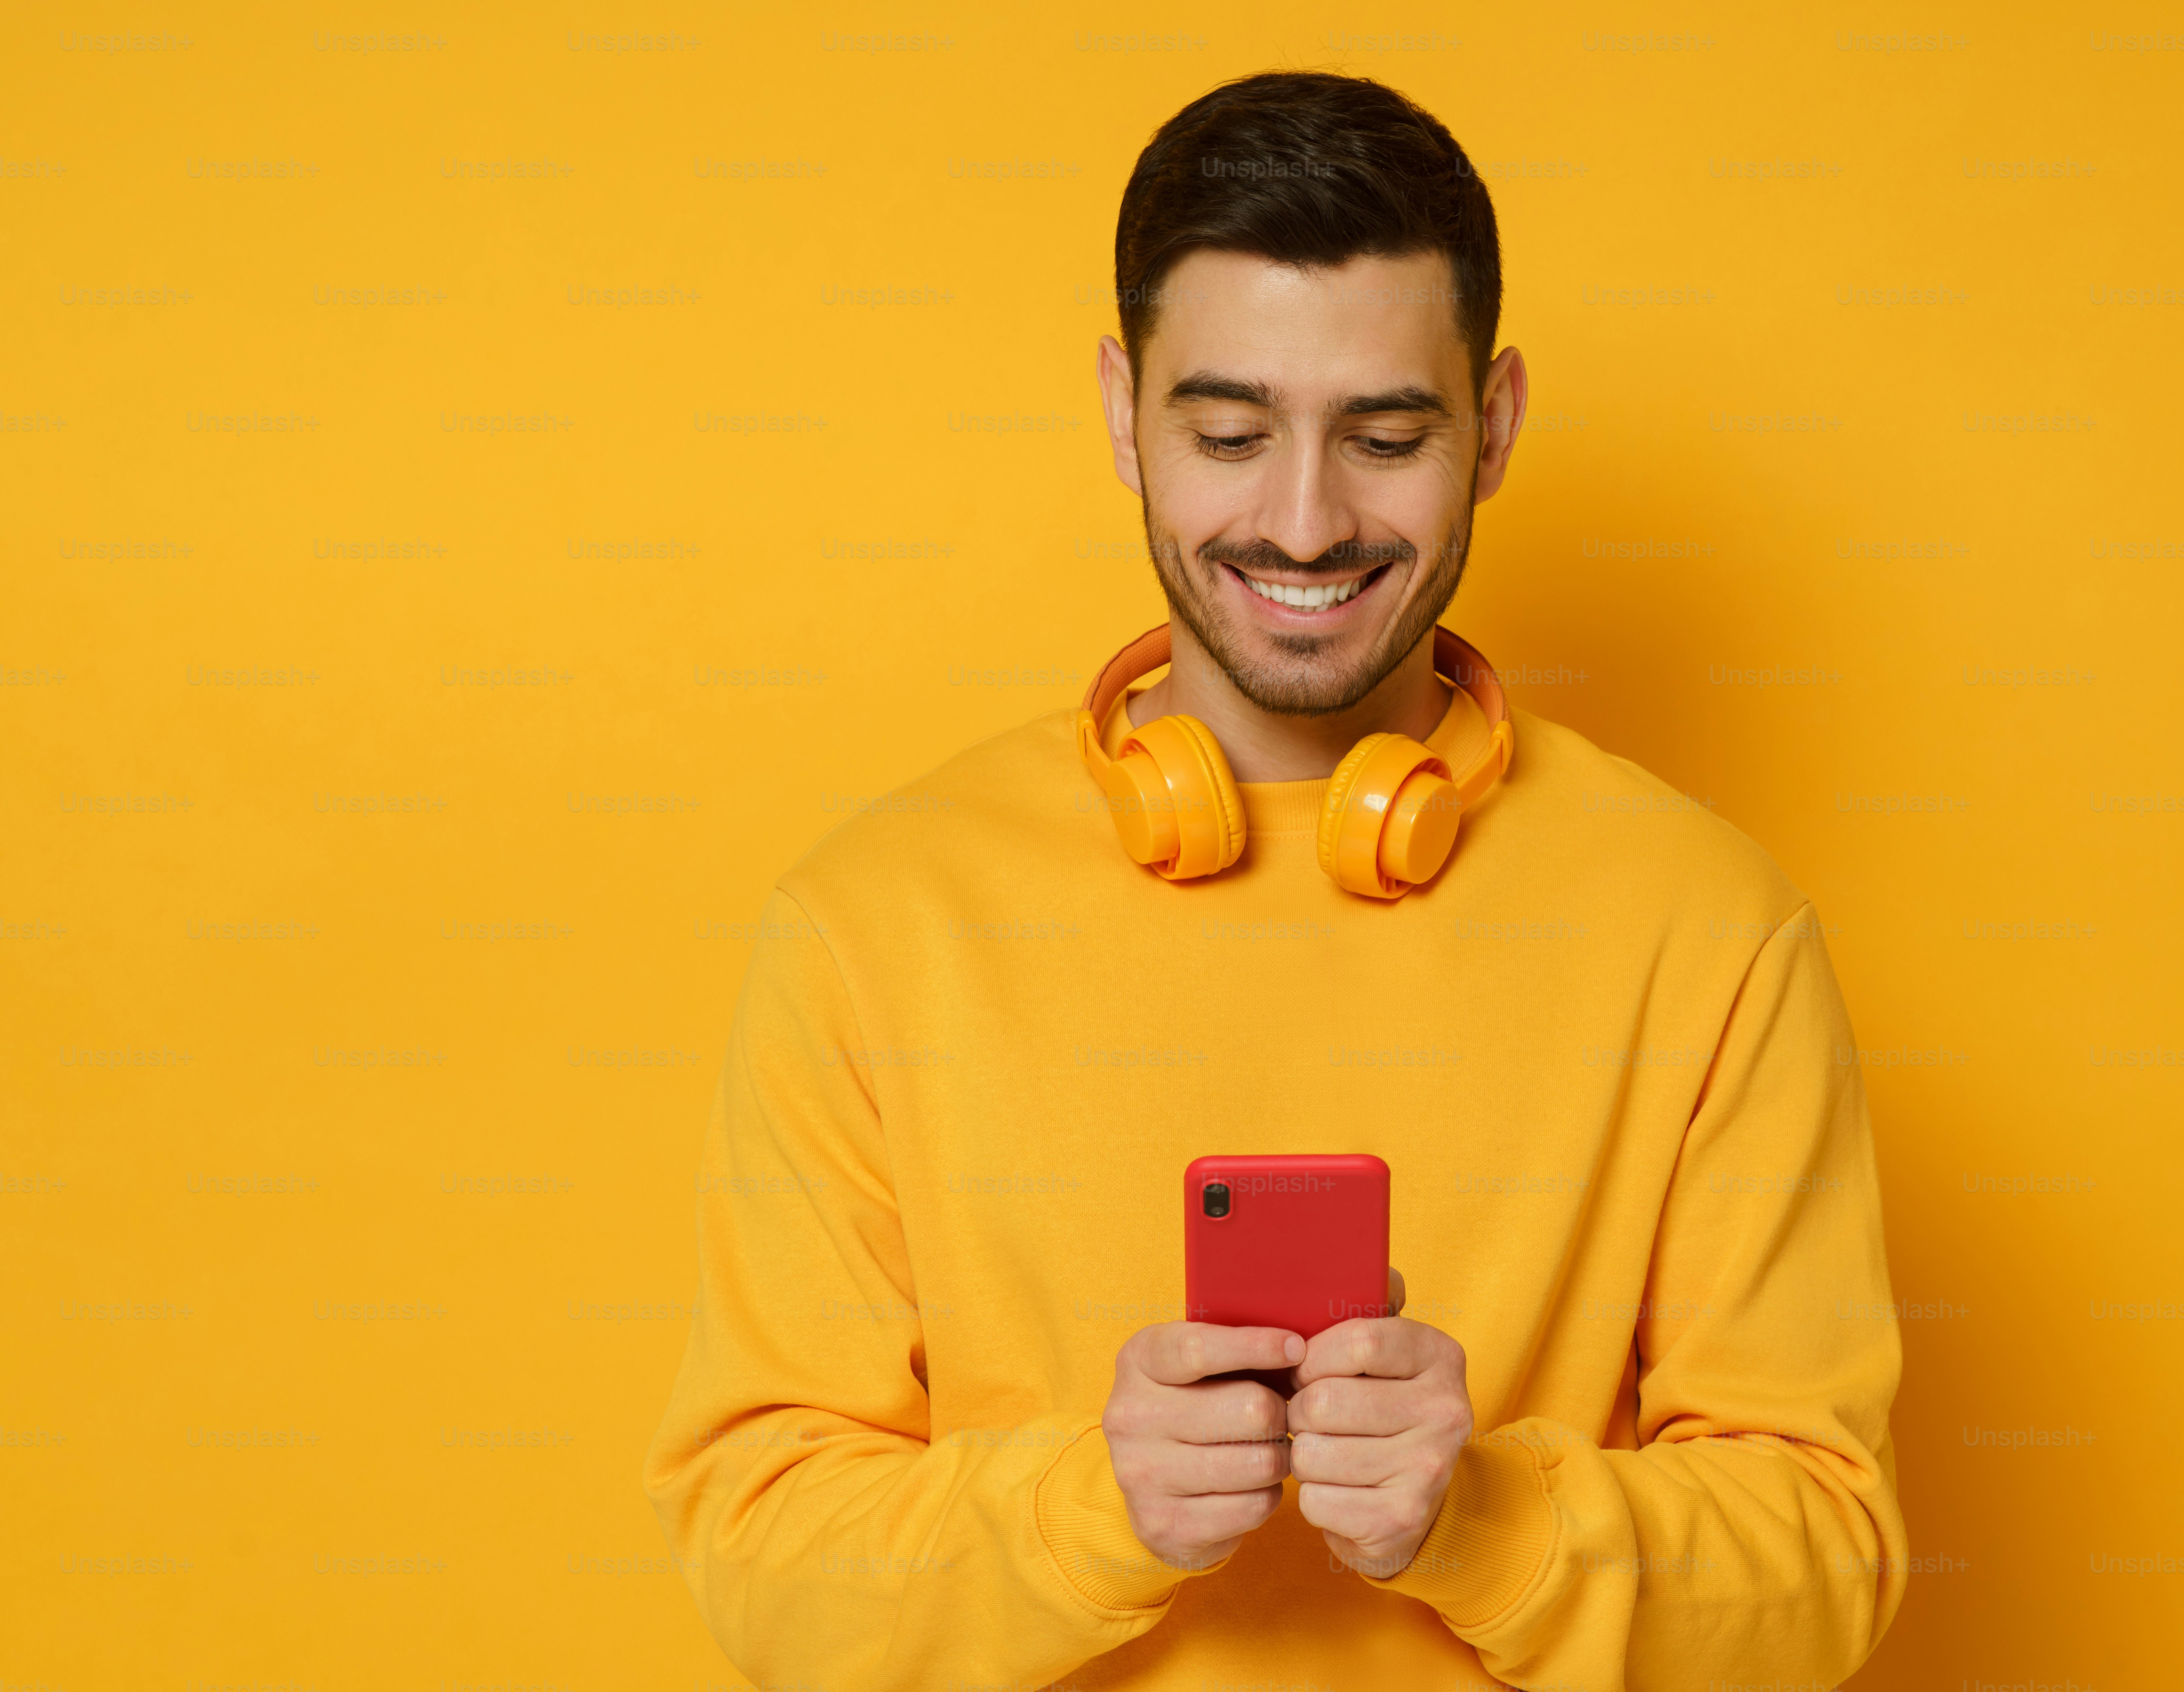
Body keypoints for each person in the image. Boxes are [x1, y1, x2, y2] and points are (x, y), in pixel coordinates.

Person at [646, 70, 1907, 1691]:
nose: (1304, 523)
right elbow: (766, 1570)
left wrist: (1492, 1521)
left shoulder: (1714, 931)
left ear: (1498, 422)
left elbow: (1821, 1572)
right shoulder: (872, 924)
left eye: (1385, 436)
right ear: (1121, 413)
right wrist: (1093, 1511)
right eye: (1230, 433)